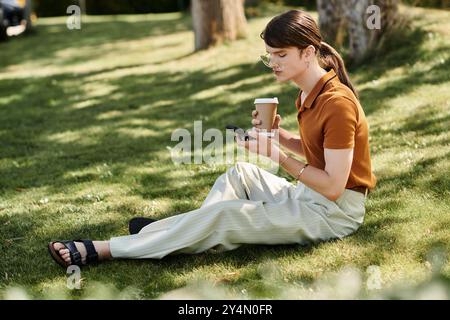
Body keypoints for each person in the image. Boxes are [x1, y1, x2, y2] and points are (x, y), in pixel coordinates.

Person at [48, 9, 377, 268]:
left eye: (280, 55)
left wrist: (276, 154)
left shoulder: (337, 103)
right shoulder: (308, 93)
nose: (272, 63)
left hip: (333, 214)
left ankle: (103, 249)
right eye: (269, 55)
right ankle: (184, 234)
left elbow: (334, 185)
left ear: (307, 53)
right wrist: (279, 135)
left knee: (225, 214)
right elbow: (319, 151)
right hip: (308, 196)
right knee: (240, 174)